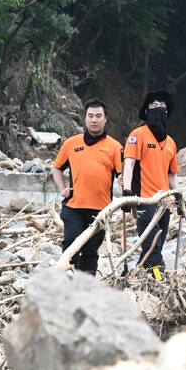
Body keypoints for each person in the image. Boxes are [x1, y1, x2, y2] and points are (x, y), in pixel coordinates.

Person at [51, 97, 122, 276]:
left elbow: (122, 173)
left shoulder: (114, 146)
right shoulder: (71, 143)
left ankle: (86, 286)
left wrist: (124, 181)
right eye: (90, 116)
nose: (94, 119)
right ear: (85, 118)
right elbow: (56, 167)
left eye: (98, 116)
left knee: (91, 250)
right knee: (71, 243)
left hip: (101, 210)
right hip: (74, 205)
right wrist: (62, 189)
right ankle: (67, 282)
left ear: (105, 119)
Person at [122, 89, 179, 281]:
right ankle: (159, 280)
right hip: (145, 201)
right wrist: (127, 191)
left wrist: (178, 197)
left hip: (165, 203)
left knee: (157, 244)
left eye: (161, 105)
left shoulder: (170, 142)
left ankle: (138, 276)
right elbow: (129, 164)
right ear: (146, 111)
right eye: (153, 105)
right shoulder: (137, 135)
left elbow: (171, 174)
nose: (158, 108)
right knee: (153, 247)